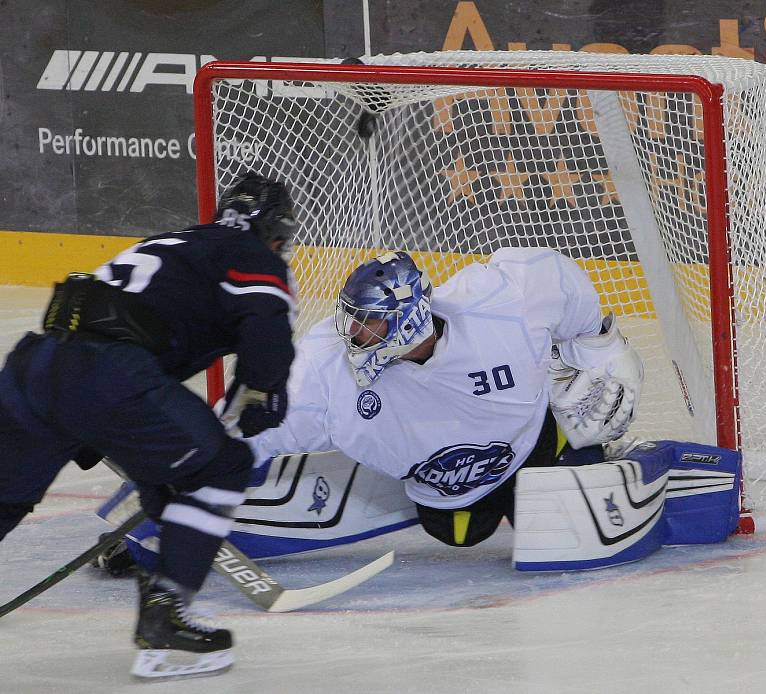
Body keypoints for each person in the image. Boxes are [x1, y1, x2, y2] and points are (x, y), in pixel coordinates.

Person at [0, 172, 297, 680]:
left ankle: (165, 589)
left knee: (4, 496)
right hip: (108, 377)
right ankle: (168, 611)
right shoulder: (252, 255)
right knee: (222, 469)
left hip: (39, 362)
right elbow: (266, 323)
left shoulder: (173, 242)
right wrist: (263, 388)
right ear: (273, 230)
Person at [247, 247, 643, 549]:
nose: (353, 332)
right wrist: (207, 463)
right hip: (448, 489)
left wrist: (601, 349)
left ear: (410, 320)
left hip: (531, 444)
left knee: (559, 529)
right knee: (461, 533)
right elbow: (267, 421)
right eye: (353, 317)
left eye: (369, 321)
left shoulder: (498, 307)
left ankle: (581, 452)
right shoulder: (325, 367)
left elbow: (554, 278)